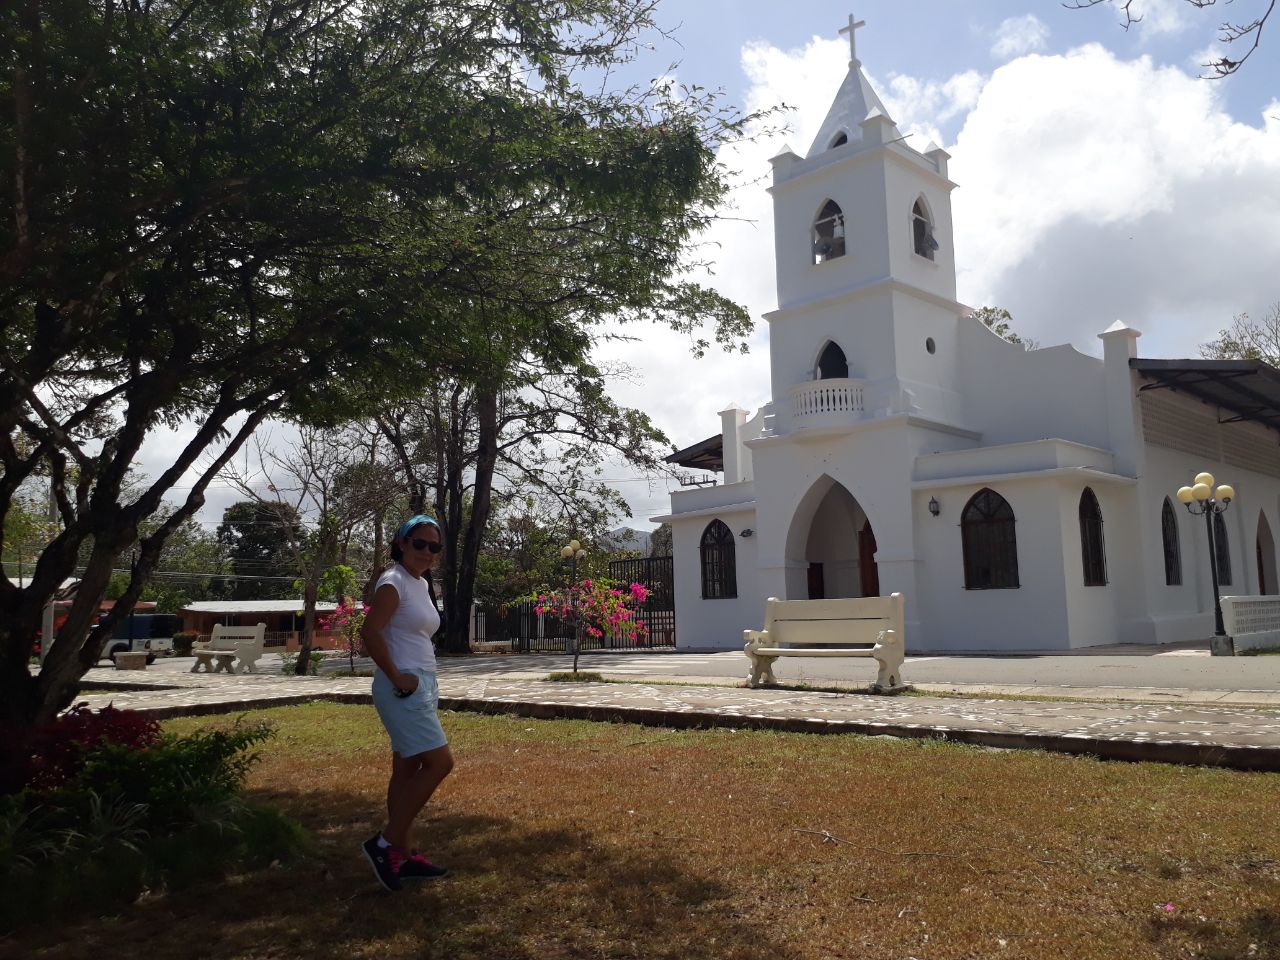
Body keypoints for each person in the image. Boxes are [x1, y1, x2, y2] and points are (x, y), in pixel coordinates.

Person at [359, 514, 455, 891]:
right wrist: (398, 676)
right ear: (401, 543)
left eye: (434, 547)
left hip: (422, 683)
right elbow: (371, 632)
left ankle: (402, 852)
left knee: (406, 769)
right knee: (440, 762)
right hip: (402, 687)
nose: (427, 552)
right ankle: (384, 845)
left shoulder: (419, 583)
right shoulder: (393, 581)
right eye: (419, 543)